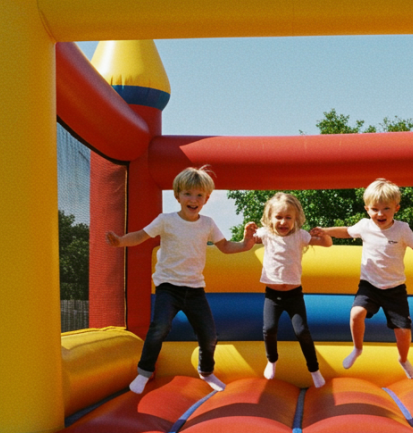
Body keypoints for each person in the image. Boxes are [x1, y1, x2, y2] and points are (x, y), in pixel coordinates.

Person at [105, 166, 255, 394]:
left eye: (199, 195)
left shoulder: (208, 223)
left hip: (194, 289)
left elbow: (224, 246)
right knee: (159, 328)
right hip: (168, 287)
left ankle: (206, 371)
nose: (193, 200)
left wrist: (245, 244)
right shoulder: (166, 220)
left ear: (206, 198)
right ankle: (143, 373)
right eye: (188, 194)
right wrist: (121, 241)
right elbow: (141, 235)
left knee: (208, 334)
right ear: (177, 195)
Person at [311, 178, 413, 379]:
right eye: (374, 209)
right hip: (369, 285)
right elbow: (346, 231)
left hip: (395, 289)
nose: (380, 214)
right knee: (356, 314)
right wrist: (326, 231)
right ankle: (357, 348)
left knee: (403, 332)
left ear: (396, 208)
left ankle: (404, 359)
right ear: (367, 209)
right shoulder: (364, 226)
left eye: (386, 209)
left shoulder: (402, 229)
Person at [245, 193, 333, 388]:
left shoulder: (300, 236)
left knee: (302, 331)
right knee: (269, 329)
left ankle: (314, 369)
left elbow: (327, 244)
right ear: (270, 218)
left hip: (294, 295)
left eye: (288, 217)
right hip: (272, 295)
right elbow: (249, 242)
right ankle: (272, 360)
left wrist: (324, 233)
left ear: (296, 219)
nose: (283, 222)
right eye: (278, 217)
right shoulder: (266, 234)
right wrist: (248, 231)